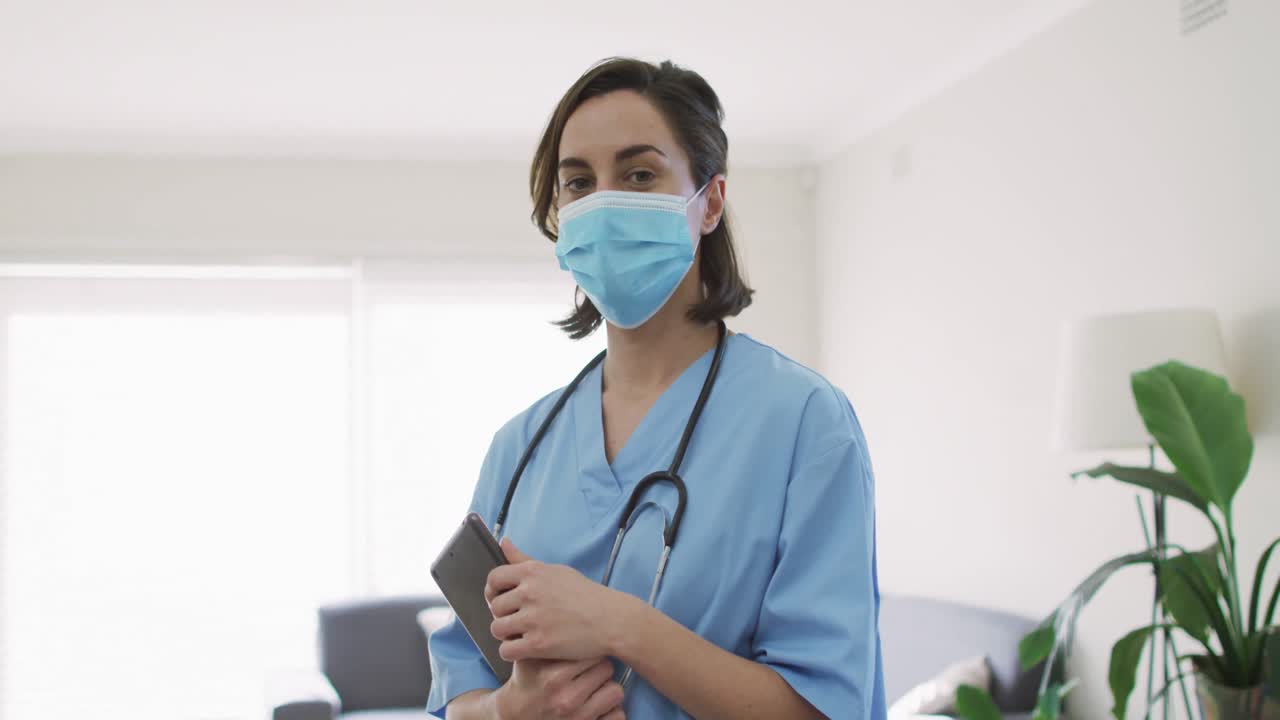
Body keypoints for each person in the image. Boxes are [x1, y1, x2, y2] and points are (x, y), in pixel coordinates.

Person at [426, 57, 886, 720]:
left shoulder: (804, 424)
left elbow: (824, 708)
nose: (604, 202)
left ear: (711, 201)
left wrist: (618, 625)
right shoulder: (519, 447)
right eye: (578, 182)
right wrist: (505, 712)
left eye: (639, 174)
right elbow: (454, 696)